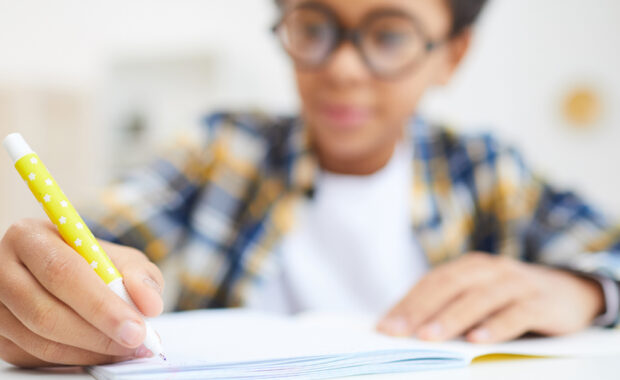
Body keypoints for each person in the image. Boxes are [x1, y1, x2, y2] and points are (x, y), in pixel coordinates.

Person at [1, 0, 619, 368]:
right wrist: (44, 291)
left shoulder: (489, 172)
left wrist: (587, 290)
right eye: (315, 29)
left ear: (451, 54)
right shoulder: (220, 151)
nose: (344, 69)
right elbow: (87, 243)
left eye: (389, 36)